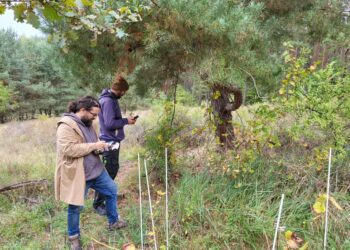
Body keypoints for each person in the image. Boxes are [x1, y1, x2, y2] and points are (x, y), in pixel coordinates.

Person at [55, 96, 127, 250]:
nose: (95, 118)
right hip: (80, 175)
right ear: (82, 110)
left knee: (111, 191)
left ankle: (113, 222)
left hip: (96, 170)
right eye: (93, 114)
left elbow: (91, 145)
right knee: (75, 207)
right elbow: (69, 149)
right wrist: (94, 145)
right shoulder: (66, 125)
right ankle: (74, 237)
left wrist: (101, 147)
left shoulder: (88, 123)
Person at [93, 75, 137, 215]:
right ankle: (98, 204)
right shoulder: (107, 101)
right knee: (108, 172)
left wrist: (124, 120)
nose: (124, 94)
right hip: (109, 141)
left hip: (113, 140)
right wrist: (126, 121)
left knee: (112, 170)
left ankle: (104, 197)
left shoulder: (111, 99)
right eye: (123, 91)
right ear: (119, 90)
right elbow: (110, 123)